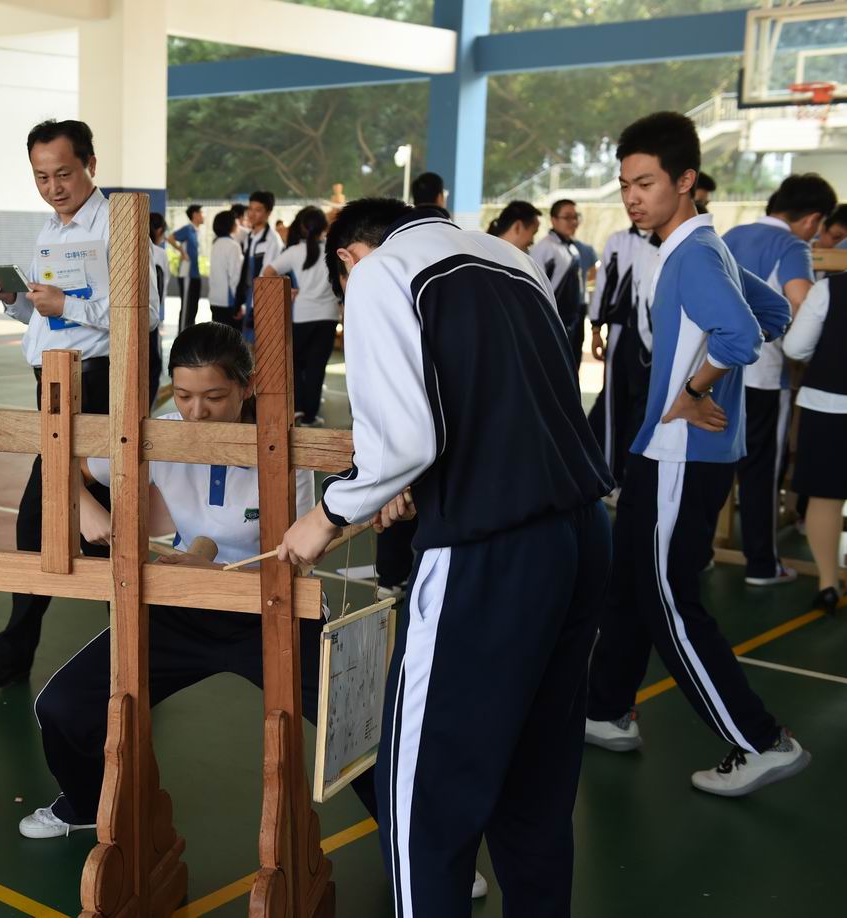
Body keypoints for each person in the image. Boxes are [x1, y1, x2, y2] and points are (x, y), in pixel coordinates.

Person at [278, 194, 611, 916]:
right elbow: (502, 407)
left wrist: (327, 515)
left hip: (488, 554)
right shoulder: (512, 260)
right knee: (535, 788)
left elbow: (402, 441)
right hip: (581, 535)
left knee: (422, 799)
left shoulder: (382, 272)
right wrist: (410, 484)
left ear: (349, 256)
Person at [21, 322, 387, 847]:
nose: (197, 412)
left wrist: (215, 572)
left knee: (360, 724)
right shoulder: (159, 431)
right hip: (183, 603)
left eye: (214, 397)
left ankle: (416, 846)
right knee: (62, 706)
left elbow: (294, 557)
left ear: (248, 386)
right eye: (185, 395)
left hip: (270, 607)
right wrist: (84, 506)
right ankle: (85, 804)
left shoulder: (282, 446)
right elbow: (56, 459)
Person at [584, 111, 808, 798]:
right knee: (630, 585)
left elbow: (741, 336)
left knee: (669, 602)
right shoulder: (701, 246)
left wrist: (692, 389)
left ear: (685, 181)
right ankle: (606, 710)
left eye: (646, 183)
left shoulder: (693, 254)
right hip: (670, 452)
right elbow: (775, 315)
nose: (632, 197)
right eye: (626, 184)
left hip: (681, 454)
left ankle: (761, 741)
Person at [0, 119, 159, 688]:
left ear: (90, 164)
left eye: (63, 174)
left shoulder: (119, 227)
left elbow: (144, 315)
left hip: (99, 387)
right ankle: (132, 648)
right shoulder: (52, 228)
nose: (53, 187)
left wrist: (65, 303)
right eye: (41, 177)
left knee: (60, 515)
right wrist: (15, 299)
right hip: (52, 384)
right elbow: (47, 317)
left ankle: (113, 649)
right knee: (68, 518)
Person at [722, 174, 836, 587]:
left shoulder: (730, 236)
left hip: (717, 371)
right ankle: (762, 564)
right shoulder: (791, 246)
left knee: (715, 464)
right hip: (765, 374)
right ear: (813, 220)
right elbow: (801, 301)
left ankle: (699, 554)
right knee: (761, 471)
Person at [784, 274, 847, 614]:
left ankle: (828, 584)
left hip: (827, 403)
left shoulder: (829, 289)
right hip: (826, 402)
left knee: (825, 498)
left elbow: (795, 347)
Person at [587, 222, 659, 487]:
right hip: (620, 329)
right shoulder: (619, 241)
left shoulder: (668, 241)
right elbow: (604, 284)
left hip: (656, 333)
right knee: (614, 401)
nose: (634, 204)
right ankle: (610, 474)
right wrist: (597, 327)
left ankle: (633, 473)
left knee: (645, 403)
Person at [262, 205, 338, 427]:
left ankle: (297, 409)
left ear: (302, 227)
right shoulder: (334, 250)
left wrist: (289, 290)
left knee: (294, 363)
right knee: (317, 367)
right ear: (324, 227)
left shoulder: (295, 251)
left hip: (303, 315)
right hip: (329, 315)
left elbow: (268, 273)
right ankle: (310, 417)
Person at [530, 199, 587, 372]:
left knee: (572, 369)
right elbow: (535, 289)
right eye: (567, 217)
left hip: (574, 321)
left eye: (576, 217)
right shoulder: (545, 248)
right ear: (553, 220)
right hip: (554, 322)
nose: (573, 222)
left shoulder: (572, 247)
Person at [235, 191, 282, 340]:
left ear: (268, 213)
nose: (252, 214)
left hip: (264, 300)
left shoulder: (272, 240)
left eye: (258, 210)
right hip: (250, 296)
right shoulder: (250, 236)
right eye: (250, 209)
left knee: (261, 343)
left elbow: (266, 278)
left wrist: (255, 307)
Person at [206, 209, 243, 330]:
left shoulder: (216, 244)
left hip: (215, 299)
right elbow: (235, 276)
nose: (238, 224)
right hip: (228, 301)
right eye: (235, 221)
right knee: (232, 337)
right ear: (230, 225)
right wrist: (238, 303)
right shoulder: (233, 246)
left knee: (218, 336)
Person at [171, 204, 204, 330]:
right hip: (187, 274)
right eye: (201, 213)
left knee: (193, 308)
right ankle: (182, 334)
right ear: (195, 215)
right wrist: (182, 252)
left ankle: (190, 333)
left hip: (195, 274)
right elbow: (171, 238)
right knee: (186, 307)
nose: (203, 216)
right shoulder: (187, 229)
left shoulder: (196, 231)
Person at [149, 212, 169, 407]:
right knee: (153, 366)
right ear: (159, 230)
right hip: (150, 318)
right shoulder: (159, 253)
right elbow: (163, 286)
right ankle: (148, 406)